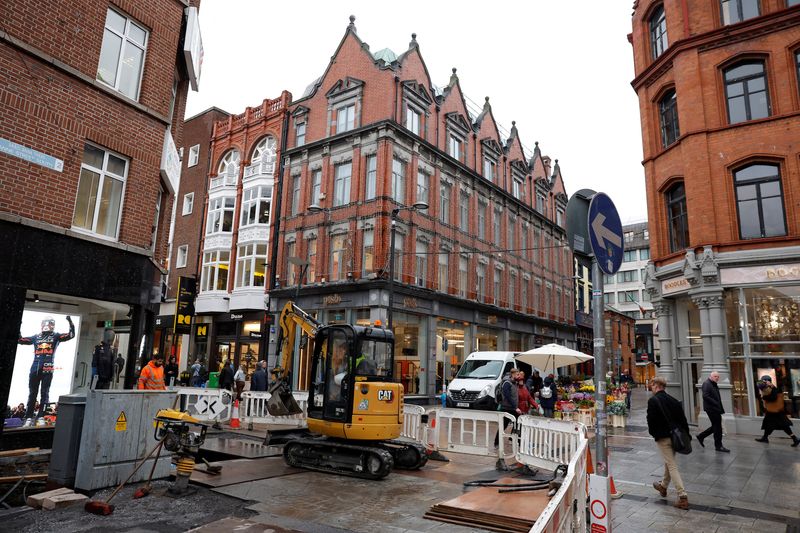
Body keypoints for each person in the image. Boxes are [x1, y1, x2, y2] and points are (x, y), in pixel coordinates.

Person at [18, 315, 75, 427]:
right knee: (32, 393)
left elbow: (71, 335)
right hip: (35, 367)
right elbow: (20, 340)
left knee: (45, 393)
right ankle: (28, 417)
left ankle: (41, 416)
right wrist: (18, 324)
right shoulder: (36, 337)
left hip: (48, 367)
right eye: (45, 323)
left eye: (50, 323)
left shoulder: (56, 336)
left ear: (53, 325)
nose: (47, 325)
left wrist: (70, 322)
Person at [647, 376, 690, 509]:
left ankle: (682, 496)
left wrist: (655, 435)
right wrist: (686, 436)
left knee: (671, 465)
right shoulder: (674, 401)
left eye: (652, 385)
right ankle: (663, 486)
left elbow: (651, 421)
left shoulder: (653, 400)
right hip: (676, 438)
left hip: (663, 438)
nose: (651, 388)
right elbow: (683, 420)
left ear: (655, 385)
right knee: (669, 461)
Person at [754, 375, 800, 447]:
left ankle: (795, 438)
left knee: (784, 426)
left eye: (765, 381)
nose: (765, 382)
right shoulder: (768, 388)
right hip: (772, 411)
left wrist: (764, 397)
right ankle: (765, 438)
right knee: (767, 424)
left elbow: (773, 398)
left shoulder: (774, 388)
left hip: (777, 411)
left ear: (769, 381)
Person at [697, 371, 729, 452]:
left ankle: (701, 436)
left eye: (718, 376)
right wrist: (715, 403)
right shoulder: (707, 383)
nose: (717, 378)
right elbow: (705, 396)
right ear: (710, 376)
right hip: (711, 409)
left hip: (715, 408)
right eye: (715, 376)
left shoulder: (713, 383)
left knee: (716, 426)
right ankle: (718, 446)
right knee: (718, 427)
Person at [494, 368, 520, 447]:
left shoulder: (515, 383)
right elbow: (508, 396)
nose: (518, 376)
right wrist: (515, 407)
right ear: (512, 374)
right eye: (517, 374)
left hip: (513, 408)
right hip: (506, 408)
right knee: (503, 426)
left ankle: (512, 439)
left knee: (519, 423)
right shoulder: (507, 383)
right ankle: (496, 442)